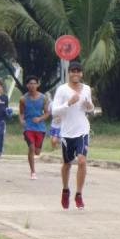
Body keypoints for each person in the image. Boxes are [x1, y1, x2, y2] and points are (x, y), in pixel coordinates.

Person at [51, 61, 94, 209]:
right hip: (67, 132)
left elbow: (90, 108)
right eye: (73, 71)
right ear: (69, 73)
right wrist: (68, 103)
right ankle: (65, 190)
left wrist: (89, 106)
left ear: (81, 74)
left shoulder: (86, 89)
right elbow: (54, 111)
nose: (76, 74)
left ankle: (79, 194)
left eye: (78, 71)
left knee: (82, 161)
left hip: (82, 130)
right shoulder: (62, 90)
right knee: (67, 164)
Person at [19, 75, 50, 179]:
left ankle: (34, 156)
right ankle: (33, 172)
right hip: (28, 127)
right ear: (27, 85)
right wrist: (22, 120)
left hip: (40, 128)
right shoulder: (23, 99)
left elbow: (47, 113)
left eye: (34, 83)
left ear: (38, 85)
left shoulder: (43, 98)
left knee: (37, 151)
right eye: (30, 84)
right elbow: (21, 113)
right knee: (31, 148)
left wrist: (40, 118)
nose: (32, 85)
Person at [0, 80, 11, 159]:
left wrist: (8, 112)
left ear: (1, 88)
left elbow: (6, 107)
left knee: (0, 135)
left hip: (1, 119)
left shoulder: (5, 97)